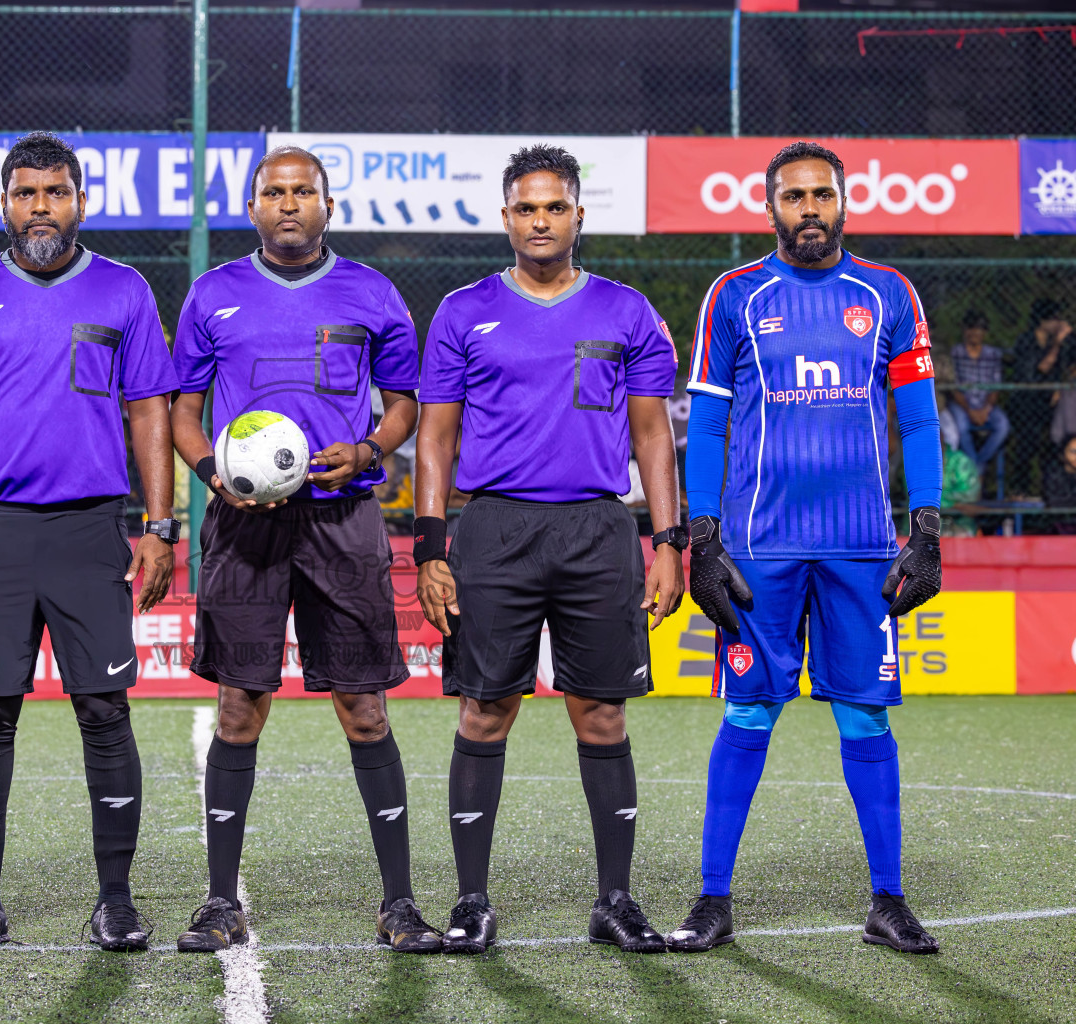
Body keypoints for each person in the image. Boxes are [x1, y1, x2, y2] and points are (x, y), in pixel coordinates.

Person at [0, 132, 179, 954]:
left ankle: (116, 902)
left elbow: (149, 415)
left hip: (92, 527)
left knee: (105, 710)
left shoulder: (125, 290)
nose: (41, 208)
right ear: (4, 204)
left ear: (80, 201)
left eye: (55, 193)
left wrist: (160, 526)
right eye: (26, 194)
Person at [672, 141, 943, 955]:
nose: (810, 209)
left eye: (822, 193)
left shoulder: (889, 294)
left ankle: (887, 901)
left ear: (844, 200)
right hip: (759, 549)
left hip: (863, 549)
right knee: (749, 708)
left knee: (866, 716)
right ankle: (714, 900)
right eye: (793, 196)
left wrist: (926, 526)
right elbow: (712, 423)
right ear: (771, 208)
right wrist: (702, 535)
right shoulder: (735, 296)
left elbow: (921, 417)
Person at [169, 145, 439, 954]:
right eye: (272, 191)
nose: (288, 204)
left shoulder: (372, 292)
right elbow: (183, 414)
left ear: (326, 203)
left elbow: (404, 406)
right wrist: (211, 470)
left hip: (344, 519)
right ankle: (221, 902)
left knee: (364, 707)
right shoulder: (213, 294)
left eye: (303, 191)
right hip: (246, 525)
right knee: (239, 705)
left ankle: (398, 902)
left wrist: (368, 449)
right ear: (253, 206)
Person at [415, 144, 684, 955]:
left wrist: (666, 540)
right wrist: (431, 547)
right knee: (485, 709)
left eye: (555, 207)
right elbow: (435, 438)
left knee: (600, 712)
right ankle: (470, 903)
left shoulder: (627, 311)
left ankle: (616, 901)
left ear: (577, 216)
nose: (541, 220)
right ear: (505, 218)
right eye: (526, 208)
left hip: (599, 530)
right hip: (493, 529)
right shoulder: (464, 311)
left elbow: (652, 437)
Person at [1006, 299, 1073, 497]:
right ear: (1042, 321)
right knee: (1028, 442)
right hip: (1026, 402)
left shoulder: (1055, 344)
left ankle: (1049, 491)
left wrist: (1058, 389)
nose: (1058, 323)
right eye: (1054, 319)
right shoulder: (1026, 341)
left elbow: (1062, 370)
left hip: (1046, 402)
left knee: (1053, 444)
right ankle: (1020, 490)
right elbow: (1040, 369)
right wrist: (1058, 344)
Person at [946, 310, 1007, 475]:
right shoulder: (955, 353)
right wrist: (970, 411)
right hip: (962, 404)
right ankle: (974, 468)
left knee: (1002, 426)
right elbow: (954, 386)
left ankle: (978, 465)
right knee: (961, 426)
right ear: (964, 331)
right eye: (970, 328)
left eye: (979, 329)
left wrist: (986, 409)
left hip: (985, 404)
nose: (974, 333)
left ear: (984, 332)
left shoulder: (993, 354)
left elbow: (996, 386)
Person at [1041, 434, 1076, 535]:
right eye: (1073, 452)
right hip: (1061, 524)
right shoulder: (1054, 474)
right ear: (1063, 453)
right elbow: (1053, 501)